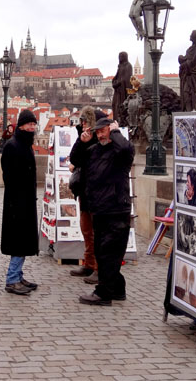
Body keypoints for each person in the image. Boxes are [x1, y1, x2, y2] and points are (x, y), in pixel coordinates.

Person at [70, 117, 135, 306]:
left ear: (111, 130)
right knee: (103, 251)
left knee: (110, 253)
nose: (100, 135)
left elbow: (124, 148)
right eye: (97, 132)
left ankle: (104, 293)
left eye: (103, 131)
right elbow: (76, 160)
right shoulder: (95, 150)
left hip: (116, 208)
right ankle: (117, 288)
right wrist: (81, 142)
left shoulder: (121, 150)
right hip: (99, 209)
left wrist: (116, 132)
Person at [0, 110, 39, 295]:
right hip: (17, 203)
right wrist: (19, 199)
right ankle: (12, 279)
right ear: (21, 125)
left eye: (34, 124)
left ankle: (18, 275)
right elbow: (9, 177)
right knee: (18, 241)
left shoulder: (25, 144)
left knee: (23, 240)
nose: (32, 127)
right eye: (29, 124)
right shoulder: (13, 146)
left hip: (26, 200)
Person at [68, 106, 104, 280]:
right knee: (86, 230)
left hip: (98, 192)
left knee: (97, 231)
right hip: (85, 190)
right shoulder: (82, 137)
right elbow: (74, 158)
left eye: (84, 121)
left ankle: (98, 268)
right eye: (81, 121)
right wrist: (81, 142)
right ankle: (89, 264)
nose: (81, 124)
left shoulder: (101, 141)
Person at [178, 30, 196, 111]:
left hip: (195, 78)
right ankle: (187, 111)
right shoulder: (190, 49)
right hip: (188, 76)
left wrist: (184, 64)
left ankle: (192, 111)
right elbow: (187, 59)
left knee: (191, 95)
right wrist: (182, 60)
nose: (190, 35)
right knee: (186, 94)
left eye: (192, 34)